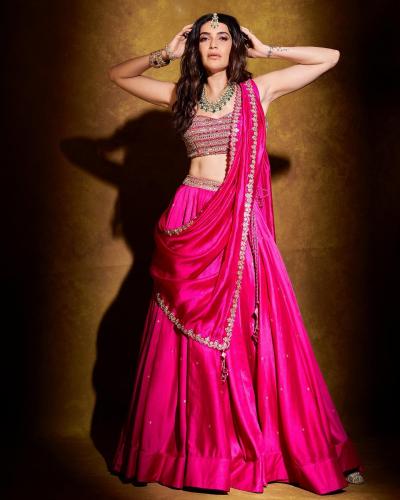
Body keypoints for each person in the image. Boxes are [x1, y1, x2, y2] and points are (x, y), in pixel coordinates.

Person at [107, 12, 365, 495]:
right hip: (190, 217)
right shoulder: (180, 97)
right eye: (204, 38)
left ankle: (271, 449)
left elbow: (329, 57)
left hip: (240, 222)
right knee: (183, 333)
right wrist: (164, 53)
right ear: (194, 48)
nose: (213, 44)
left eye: (223, 37)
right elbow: (118, 75)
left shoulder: (257, 92)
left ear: (235, 45)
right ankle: (193, 455)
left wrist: (266, 50)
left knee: (252, 326)